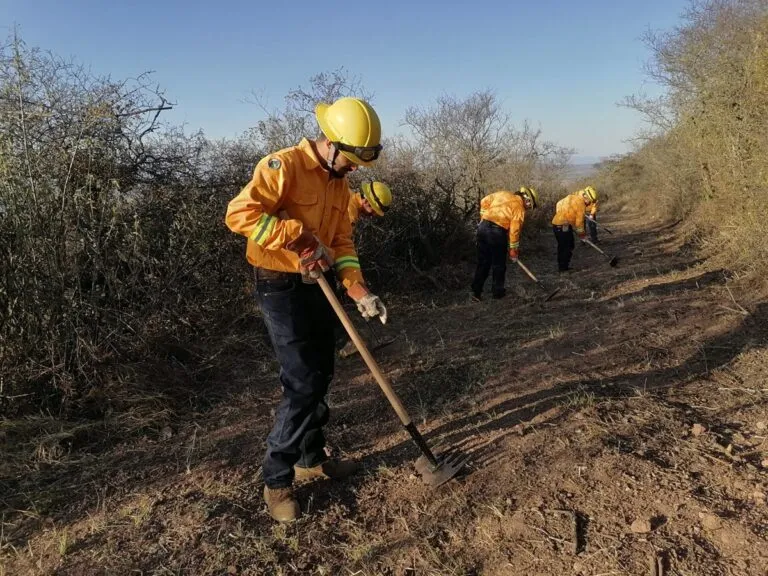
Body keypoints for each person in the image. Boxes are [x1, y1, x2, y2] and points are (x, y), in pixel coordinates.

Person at [225, 97, 387, 523]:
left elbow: (343, 244)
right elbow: (238, 214)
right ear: (330, 143)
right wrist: (295, 237)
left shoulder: (339, 183)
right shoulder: (283, 166)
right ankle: (277, 481)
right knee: (301, 381)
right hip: (279, 285)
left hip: (320, 284)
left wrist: (359, 290)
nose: (353, 169)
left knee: (323, 372)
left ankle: (311, 459)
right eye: (350, 160)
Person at [337, 180, 393, 358]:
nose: (373, 216)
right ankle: (343, 343)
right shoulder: (349, 213)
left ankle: (346, 341)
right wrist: (353, 286)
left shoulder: (344, 195)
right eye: (373, 212)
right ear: (367, 201)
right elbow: (340, 247)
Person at [470, 186, 539, 301]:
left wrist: (483, 217)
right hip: (497, 232)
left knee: (483, 262)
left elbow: (484, 201)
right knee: (499, 264)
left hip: (482, 229)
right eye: (529, 205)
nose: (527, 208)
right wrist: (513, 250)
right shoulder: (519, 208)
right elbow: (514, 230)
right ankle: (498, 293)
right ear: (527, 199)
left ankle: (476, 293)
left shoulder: (503, 194)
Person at [551, 186, 599, 272]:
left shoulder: (571, 196)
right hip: (561, 226)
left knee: (569, 245)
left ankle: (564, 267)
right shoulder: (581, 204)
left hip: (559, 224)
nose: (589, 204)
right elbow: (579, 223)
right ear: (586, 196)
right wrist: (582, 235)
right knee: (565, 247)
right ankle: (563, 269)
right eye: (589, 201)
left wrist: (562, 215)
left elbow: (558, 203)